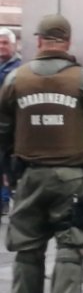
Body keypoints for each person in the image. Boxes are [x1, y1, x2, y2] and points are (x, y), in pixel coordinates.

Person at [0, 14, 83, 293]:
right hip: (69, 176)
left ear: (38, 41)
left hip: (29, 176)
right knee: (69, 244)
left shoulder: (16, 79)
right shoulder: (82, 79)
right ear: (67, 41)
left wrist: (9, 167)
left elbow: (3, 126)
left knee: (27, 247)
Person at [0, 27, 21, 215]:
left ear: (14, 45)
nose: (1, 46)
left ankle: (8, 200)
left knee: (9, 167)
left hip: (12, 127)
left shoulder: (18, 69)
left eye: (5, 42)